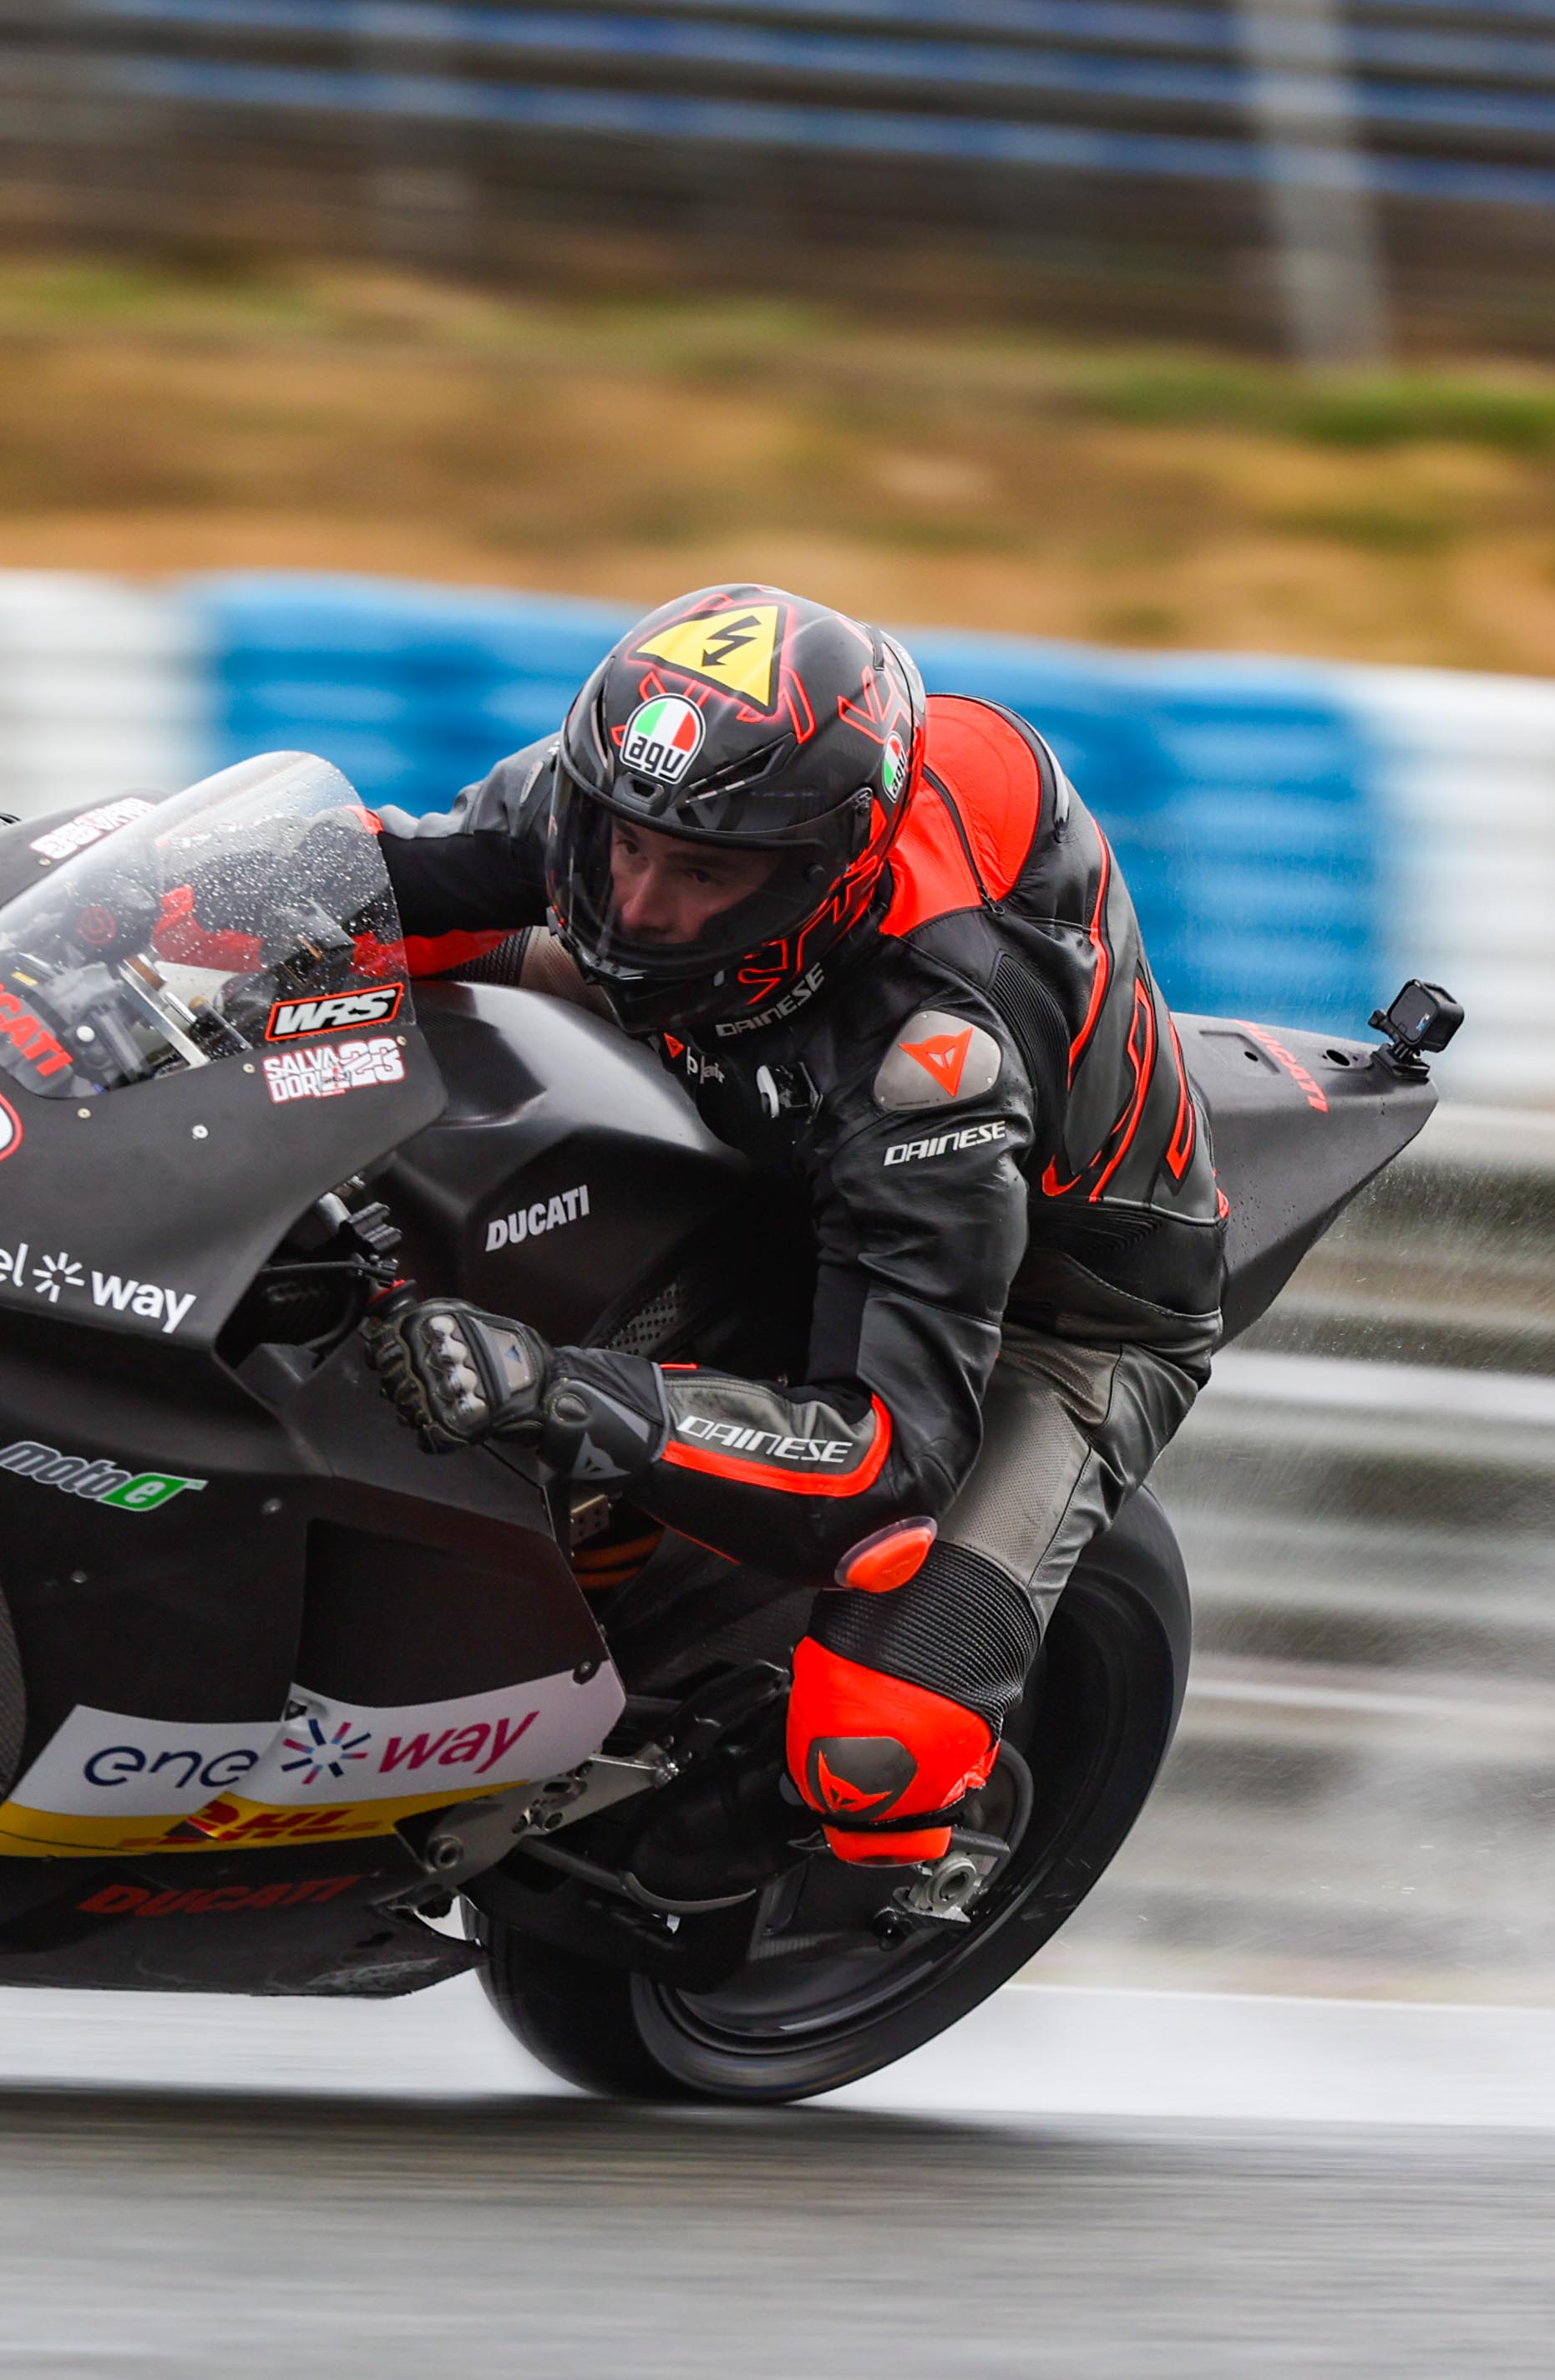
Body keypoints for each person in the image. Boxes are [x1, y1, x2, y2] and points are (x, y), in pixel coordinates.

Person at [358, 584, 1223, 1874]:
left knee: (876, 1747)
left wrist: (553, 1387)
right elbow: (380, 875)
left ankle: (763, 1845)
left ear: (822, 870)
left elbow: (879, 1468)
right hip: (763, 1107)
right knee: (362, 977)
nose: (638, 901)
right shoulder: (649, 792)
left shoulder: (936, 1052)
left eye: (701, 874)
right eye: (621, 845)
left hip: (1053, 1298)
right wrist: (91, 894)